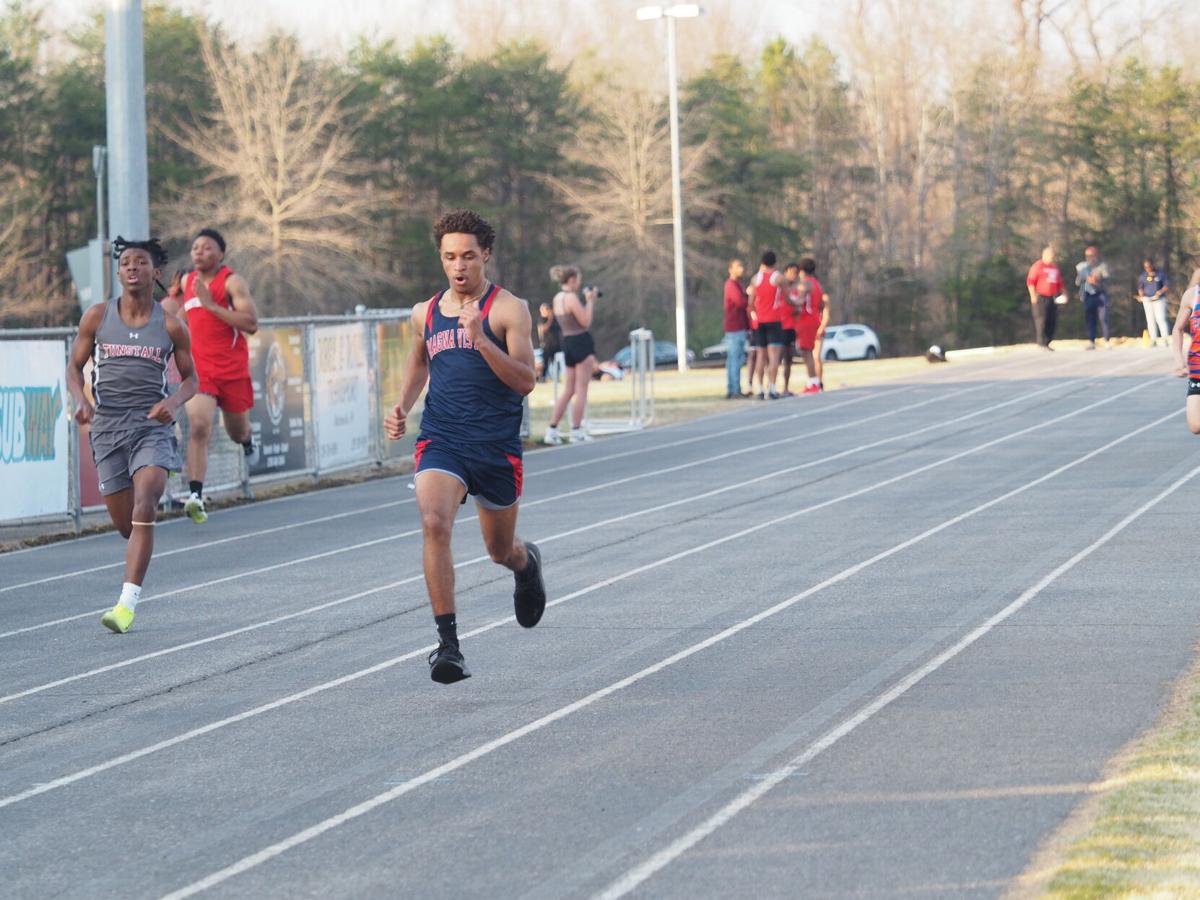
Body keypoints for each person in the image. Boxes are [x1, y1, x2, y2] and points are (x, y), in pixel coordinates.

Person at [383, 209, 545, 684]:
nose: (459, 267)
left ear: (486, 255)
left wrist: (481, 341)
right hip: (443, 439)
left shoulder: (508, 309)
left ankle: (525, 563)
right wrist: (401, 406)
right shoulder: (425, 312)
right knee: (434, 522)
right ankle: (448, 646)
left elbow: (526, 382)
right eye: (450, 257)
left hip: (495, 448)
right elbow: (420, 362)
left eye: (468, 256)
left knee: (499, 551)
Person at [66, 237, 198, 633]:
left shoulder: (171, 325)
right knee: (128, 525)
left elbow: (191, 380)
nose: (132, 268)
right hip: (106, 427)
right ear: (119, 272)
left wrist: (172, 404)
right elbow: (73, 368)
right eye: (126, 263)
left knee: (147, 500)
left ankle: (125, 605)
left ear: (155, 273)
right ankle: (141, 541)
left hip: (150, 426)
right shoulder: (96, 316)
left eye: (141, 262)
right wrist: (81, 400)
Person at [161, 228, 259, 524]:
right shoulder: (186, 281)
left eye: (206, 247)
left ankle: (247, 442)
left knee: (236, 432)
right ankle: (195, 495)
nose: (199, 252)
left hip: (231, 368)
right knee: (199, 427)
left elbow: (251, 323)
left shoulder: (232, 282)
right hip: (199, 369)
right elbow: (173, 314)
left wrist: (212, 306)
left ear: (220, 254)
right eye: (195, 248)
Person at [543, 265, 598, 444]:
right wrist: (590, 301)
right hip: (580, 341)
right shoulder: (571, 298)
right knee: (582, 389)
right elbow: (585, 321)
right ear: (573, 280)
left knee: (569, 389)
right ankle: (576, 430)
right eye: (578, 279)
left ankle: (552, 429)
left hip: (566, 342)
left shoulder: (557, 297)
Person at [747, 251, 787, 399]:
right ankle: (772, 388)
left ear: (762, 263)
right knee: (774, 357)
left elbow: (750, 303)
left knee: (760, 357)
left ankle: (759, 390)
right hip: (774, 320)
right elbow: (787, 297)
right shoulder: (779, 278)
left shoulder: (755, 279)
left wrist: (756, 314)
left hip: (760, 322)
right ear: (775, 263)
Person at [1170, 278, 1200, 433]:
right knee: (1195, 426)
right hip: (1197, 369)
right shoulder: (1192, 295)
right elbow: (1177, 329)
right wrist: (1179, 362)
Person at [795, 258, 826, 394]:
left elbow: (800, 300)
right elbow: (822, 304)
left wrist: (790, 301)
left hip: (806, 319)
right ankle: (812, 382)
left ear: (802, 271)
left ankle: (813, 382)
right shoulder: (817, 284)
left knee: (806, 351)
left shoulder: (805, 283)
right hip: (814, 317)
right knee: (809, 352)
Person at [1026, 245, 1064, 350]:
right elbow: (1030, 282)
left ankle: (1047, 342)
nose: (1052, 257)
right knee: (1041, 320)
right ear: (1045, 255)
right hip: (1041, 297)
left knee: (1052, 320)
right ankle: (1041, 343)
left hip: (1052, 297)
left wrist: (1064, 293)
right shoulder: (1038, 266)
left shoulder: (1054, 267)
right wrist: (1033, 296)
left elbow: (1059, 283)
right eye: (1051, 255)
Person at [722, 259, 750, 399]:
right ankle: (733, 390)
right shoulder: (731, 285)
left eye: (741, 266)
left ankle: (735, 388)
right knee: (734, 359)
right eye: (738, 266)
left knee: (737, 359)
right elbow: (740, 302)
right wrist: (750, 297)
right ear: (730, 269)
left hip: (740, 326)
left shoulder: (738, 285)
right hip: (734, 328)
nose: (741, 269)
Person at [1075, 246, 1111, 350]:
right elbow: (1077, 281)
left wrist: (1098, 279)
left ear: (1097, 255)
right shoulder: (1082, 267)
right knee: (1090, 318)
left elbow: (1107, 278)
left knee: (1104, 317)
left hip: (1100, 293)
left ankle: (1107, 340)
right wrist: (1086, 278)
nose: (1090, 258)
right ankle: (1091, 340)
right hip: (1088, 294)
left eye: (1092, 256)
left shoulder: (1102, 266)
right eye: (1088, 256)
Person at [1138, 258, 1171, 347]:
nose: (1148, 268)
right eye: (1146, 267)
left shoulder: (1160, 273)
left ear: (1152, 265)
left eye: (1149, 266)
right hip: (1147, 300)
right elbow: (1140, 287)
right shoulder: (1143, 275)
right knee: (1150, 320)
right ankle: (1153, 339)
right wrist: (1141, 295)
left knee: (1161, 319)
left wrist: (1160, 292)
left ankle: (1165, 339)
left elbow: (1166, 285)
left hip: (1159, 299)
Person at [536, 301, 562, 382]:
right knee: (545, 362)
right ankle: (542, 378)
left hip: (556, 345)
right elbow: (543, 329)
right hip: (546, 345)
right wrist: (550, 319)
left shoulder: (556, 319)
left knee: (557, 363)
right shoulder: (542, 319)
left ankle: (557, 377)